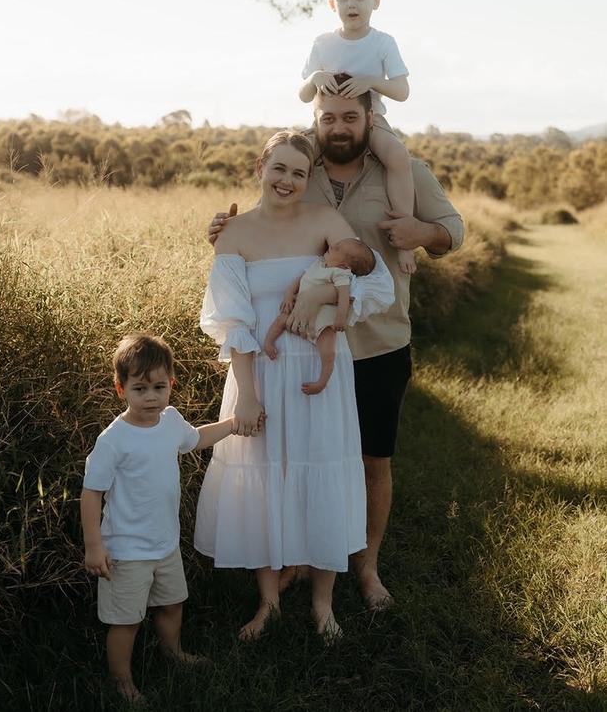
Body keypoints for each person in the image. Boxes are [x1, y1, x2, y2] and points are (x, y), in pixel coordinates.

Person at [209, 79, 464, 610]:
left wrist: (422, 233)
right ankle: (296, 558)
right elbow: (262, 234)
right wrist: (225, 231)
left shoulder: (404, 171)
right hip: (306, 348)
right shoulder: (307, 171)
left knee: (371, 460)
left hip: (379, 339)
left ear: (370, 118)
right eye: (329, 119)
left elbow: (451, 231)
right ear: (316, 120)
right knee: (297, 454)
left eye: (350, 118)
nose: (339, 128)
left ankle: (366, 569)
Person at [194, 131, 394, 642]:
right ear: (261, 166)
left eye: (299, 173)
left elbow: (374, 281)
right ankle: (270, 602)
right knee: (263, 474)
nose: (287, 181)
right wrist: (249, 392)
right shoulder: (233, 232)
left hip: (318, 369)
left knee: (323, 465)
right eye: (278, 168)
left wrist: (321, 300)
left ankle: (323, 604)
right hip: (260, 369)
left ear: (310, 179)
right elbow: (233, 320)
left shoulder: (325, 221)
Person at [81, 332, 245, 704]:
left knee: (173, 603)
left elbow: (195, 439)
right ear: (121, 389)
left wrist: (232, 424)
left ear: (171, 384)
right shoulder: (114, 440)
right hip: (126, 550)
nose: (151, 396)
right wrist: (94, 544)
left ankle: (172, 651)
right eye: (140, 389)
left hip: (165, 543)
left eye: (159, 386)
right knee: (127, 620)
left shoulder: (170, 421)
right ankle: (121, 680)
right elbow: (91, 492)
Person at [299, 0, 417, 275]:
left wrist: (371, 81)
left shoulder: (382, 42)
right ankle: (268, 225)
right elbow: (303, 95)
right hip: (324, 123)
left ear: (375, 1)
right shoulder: (322, 43)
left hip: (370, 118)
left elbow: (402, 91)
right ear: (332, 3)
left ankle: (404, 238)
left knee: (397, 155)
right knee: (289, 156)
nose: (352, 4)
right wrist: (315, 77)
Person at [263, 237, 375, 395]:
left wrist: (340, 318)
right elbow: (299, 280)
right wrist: (289, 295)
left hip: (324, 323)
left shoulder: (340, 273)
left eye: (338, 249)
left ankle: (322, 382)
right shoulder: (318, 264)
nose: (333, 246)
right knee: (281, 319)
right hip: (299, 312)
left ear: (345, 265)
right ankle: (269, 342)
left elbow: (344, 297)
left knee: (328, 353)